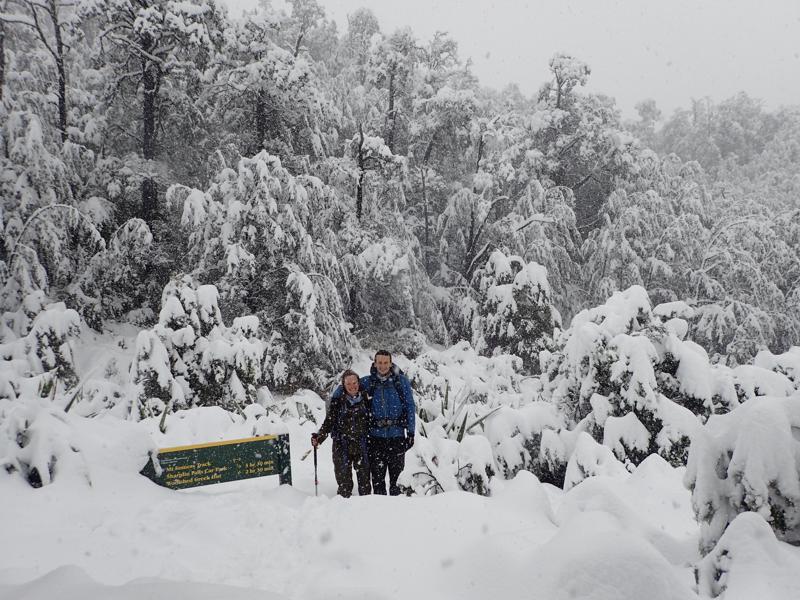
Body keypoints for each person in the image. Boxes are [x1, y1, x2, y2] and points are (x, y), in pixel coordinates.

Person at [363, 350, 415, 496]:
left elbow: (410, 406)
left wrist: (411, 432)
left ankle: (397, 515)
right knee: (378, 483)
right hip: (375, 438)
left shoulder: (401, 381)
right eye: (379, 362)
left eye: (386, 362)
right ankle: (380, 515)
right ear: (374, 363)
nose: (382, 366)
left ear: (391, 363)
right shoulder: (367, 382)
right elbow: (347, 388)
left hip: (397, 437)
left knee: (397, 483)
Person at [311, 370, 371, 498]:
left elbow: (372, 420)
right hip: (341, 444)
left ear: (358, 383)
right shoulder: (338, 401)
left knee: (365, 483)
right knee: (344, 483)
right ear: (343, 385)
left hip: (361, 443)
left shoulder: (366, 398)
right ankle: (343, 511)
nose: (352, 386)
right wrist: (319, 437)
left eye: (354, 382)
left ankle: (367, 510)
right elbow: (330, 421)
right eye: (348, 383)